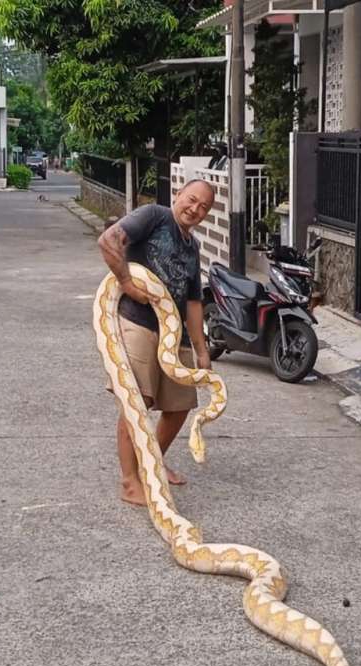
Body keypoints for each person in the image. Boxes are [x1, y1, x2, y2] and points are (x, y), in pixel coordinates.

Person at [98, 179, 215, 506]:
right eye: (192, 200)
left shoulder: (192, 246)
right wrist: (125, 281)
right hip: (137, 322)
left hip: (173, 333)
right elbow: (109, 240)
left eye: (204, 207)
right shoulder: (153, 216)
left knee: (179, 407)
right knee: (137, 402)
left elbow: (193, 302)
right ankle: (129, 481)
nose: (195, 209)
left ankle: (152, 464)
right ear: (178, 195)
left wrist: (201, 350)